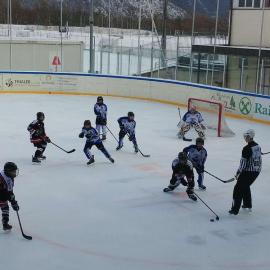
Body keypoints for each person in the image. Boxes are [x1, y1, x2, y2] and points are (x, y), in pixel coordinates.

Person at [229, 129, 262, 215]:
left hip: (248, 172)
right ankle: (247, 204)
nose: (245, 138)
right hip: (256, 171)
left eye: (246, 136)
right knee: (245, 186)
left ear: (250, 136)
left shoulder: (246, 148)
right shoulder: (257, 146)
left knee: (238, 189)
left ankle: (234, 210)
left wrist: (238, 173)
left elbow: (243, 164)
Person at [0, 162, 19, 231]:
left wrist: (13, 202)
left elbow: (9, 191)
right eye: (13, 171)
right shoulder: (2, 178)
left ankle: (5, 223)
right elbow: (6, 193)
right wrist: (12, 201)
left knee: (5, 207)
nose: (15, 173)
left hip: (2, 195)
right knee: (4, 203)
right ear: (8, 171)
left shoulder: (9, 177)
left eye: (15, 171)